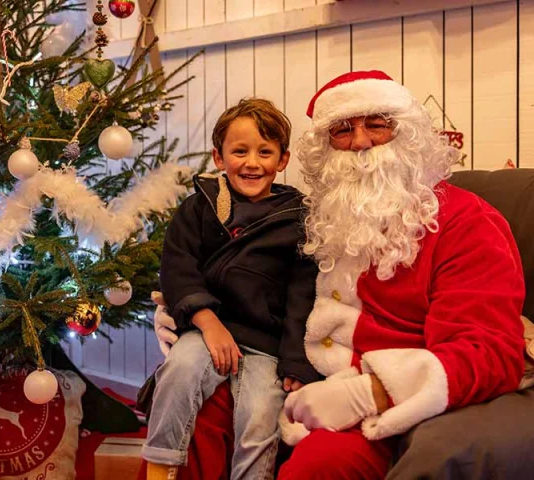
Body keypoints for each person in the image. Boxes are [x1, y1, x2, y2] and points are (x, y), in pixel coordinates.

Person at [151, 70, 526, 479]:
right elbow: (256, 281)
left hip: (394, 403)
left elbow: (489, 349)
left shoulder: (464, 219)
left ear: (408, 134)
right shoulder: (321, 218)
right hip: (302, 375)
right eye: (343, 130)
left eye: (377, 125)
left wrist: (372, 391)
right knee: (200, 409)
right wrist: (189, 311)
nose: (361, 141)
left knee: (316, 467)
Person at [143, 98, 320, 480]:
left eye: (265, 152)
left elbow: (302, 298)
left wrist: (295, 362)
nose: (252, 163)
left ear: (283, 160)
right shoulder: (197, 209)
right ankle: (160, 466)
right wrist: (207, 322)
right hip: (208, 329)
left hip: (265, 345)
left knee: (260, 413)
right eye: (239, 151)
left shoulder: (298, 219)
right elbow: (177, 268)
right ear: (219, 158)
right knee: (179, 371)